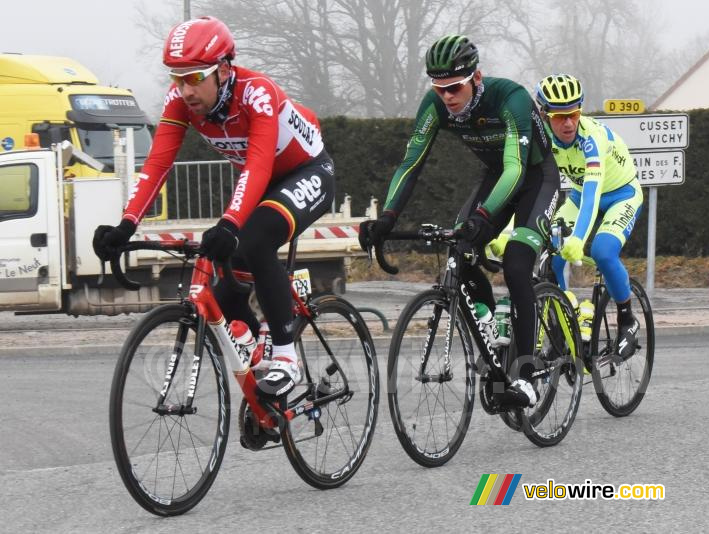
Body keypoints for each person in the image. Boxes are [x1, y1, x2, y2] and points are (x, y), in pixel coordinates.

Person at [93, 16, 335, 399]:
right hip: (262, 181)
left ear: (223, 69)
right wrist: (125, 226)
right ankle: (264, 378)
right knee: (223, 298)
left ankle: (287, 357)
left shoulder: (257, 93)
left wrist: (230, 223)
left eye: (194, 77)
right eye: (177, 78)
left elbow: (258, 165)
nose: (185, 89)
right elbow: (157, 165)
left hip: (306, 172)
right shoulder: (182, 103)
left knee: (254, 242)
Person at [359, 35, 560, 408]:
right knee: (460, 250)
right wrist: (386, 217)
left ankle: (529, 375)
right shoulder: (436, 105)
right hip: (496, 174)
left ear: (476, 78)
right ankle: (489, 332)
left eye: (454, 87)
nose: (447, 97)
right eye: (439, 88)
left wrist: (484, 217)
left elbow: (516, 168)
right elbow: (411, 164)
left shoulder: (510, 98)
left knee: (517, 266)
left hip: (536, 177)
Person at [534, 73, 642, 357]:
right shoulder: (542, 140)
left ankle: (627, 320)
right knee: (551, 253)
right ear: (545, 116)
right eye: (559, 117)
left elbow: (594, 194)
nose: (568, 123)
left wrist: (578, 238)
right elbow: (529, 186)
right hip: (581, 195)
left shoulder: (591, 139)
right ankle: (562, 325)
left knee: (604, 252)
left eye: (573, 114)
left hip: (621, 195)